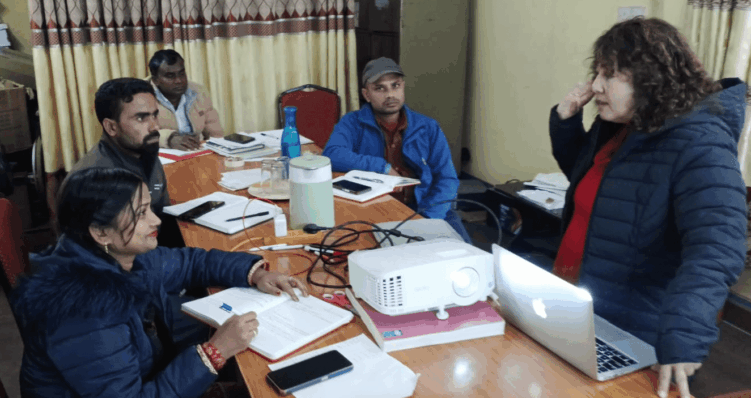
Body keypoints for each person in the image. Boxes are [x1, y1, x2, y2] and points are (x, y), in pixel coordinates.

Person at [549, 17, 748, 398]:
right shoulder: (624, 126)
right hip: (584, 304)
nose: (596, 87)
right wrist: (566, 122)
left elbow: (717, 248)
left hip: (638, 330)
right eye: (597, 73)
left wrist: (685, 335)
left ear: (652, 78)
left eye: (611, 75)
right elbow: (596, 185)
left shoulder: (700, 143)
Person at [11, 167, 308, 398]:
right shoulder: (83, 312)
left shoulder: (116, 255)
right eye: (140, 214)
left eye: (149, 208)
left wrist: (256, 273)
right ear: (101, 233)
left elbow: (191, 263)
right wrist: (214, 352)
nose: (156, 221)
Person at [323, 57, 471, 243]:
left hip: (426, 208)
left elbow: (447, 178)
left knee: (467, 258)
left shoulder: (428, 127)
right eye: (380, 88)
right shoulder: (352, 122)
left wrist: (428, 219)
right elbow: (332, 154)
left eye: (395, 86)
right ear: (366, 94)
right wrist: (381, 167)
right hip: (374, 210)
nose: (390, 94)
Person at [69, 77, 186, 247]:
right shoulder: (98, 179)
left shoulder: (144, 151)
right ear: (111, 127)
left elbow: (163, 216)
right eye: (141, 118)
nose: (155, 127)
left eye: (155, 115)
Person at [149, 49, 224, 151]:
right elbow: (138, 133)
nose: (179, 80)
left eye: (181, 73)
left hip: (195, 152)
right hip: (160, 156)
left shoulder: (198, 91)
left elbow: (215, 131)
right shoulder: (140, 96)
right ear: (155, 80)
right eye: (170, 76)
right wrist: (169, 139)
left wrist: (221, 150)